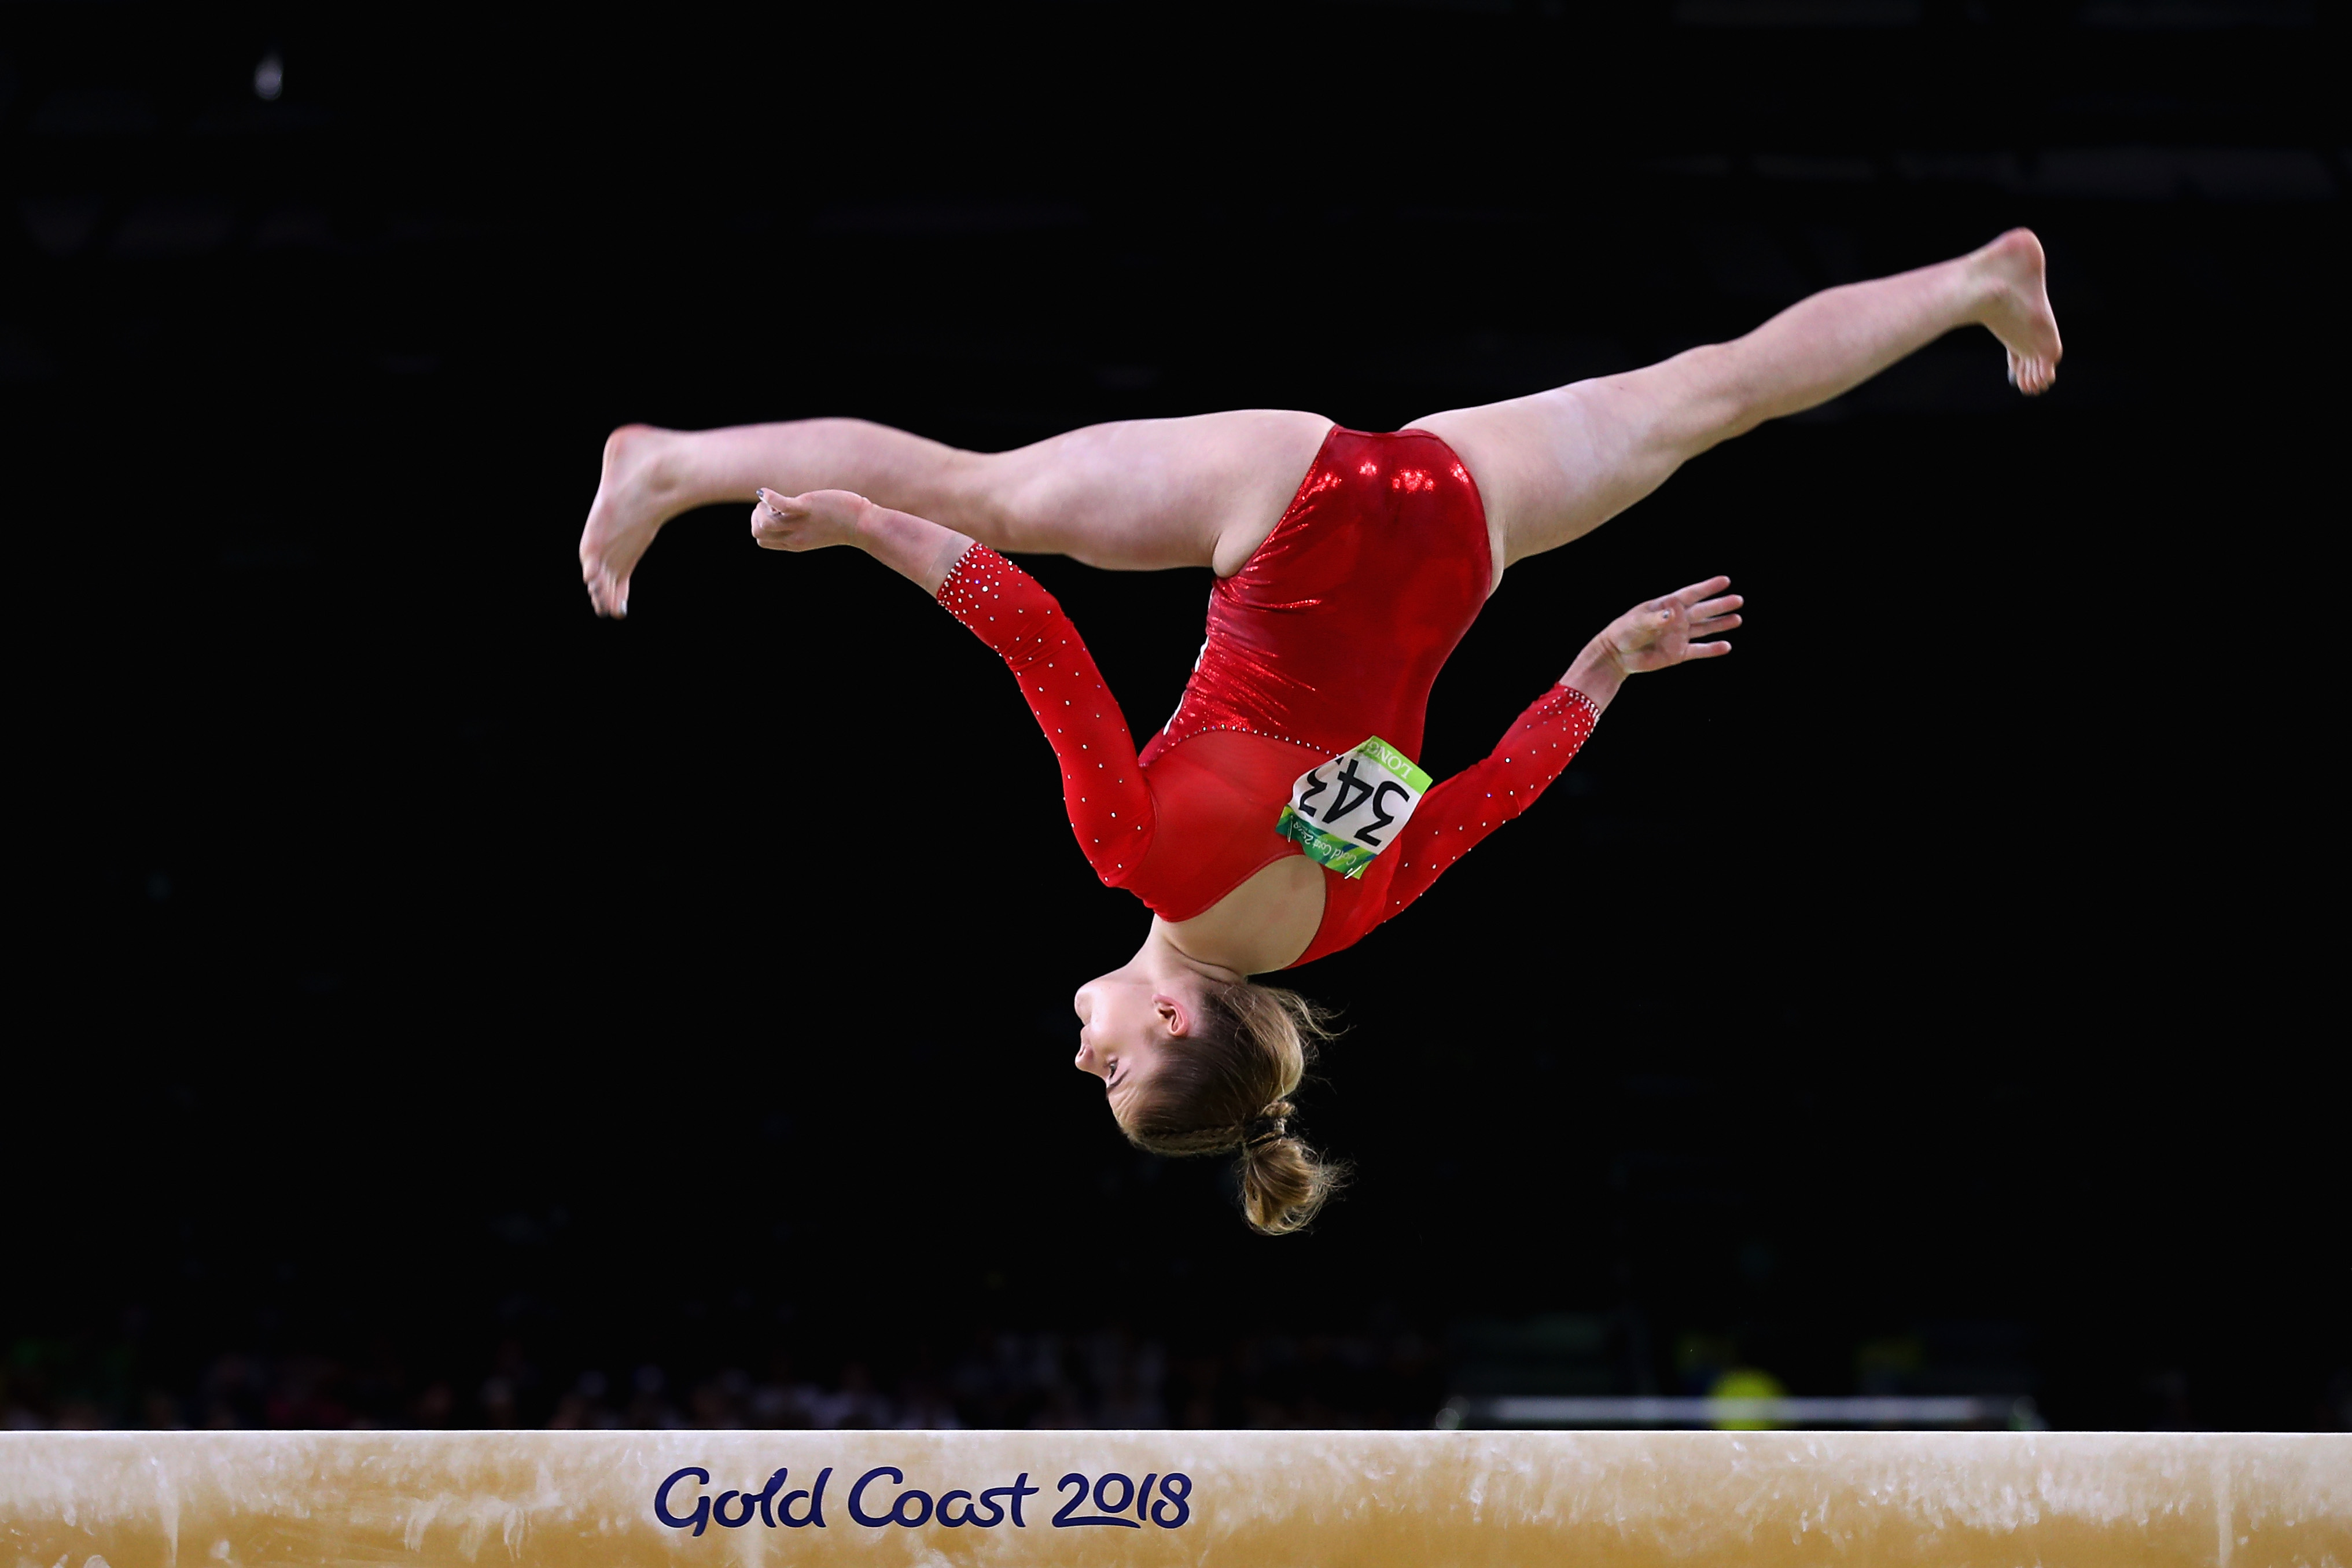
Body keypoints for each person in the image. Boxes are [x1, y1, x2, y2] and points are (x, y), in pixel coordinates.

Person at [577, 230, 2062, 1233]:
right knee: (984, 490)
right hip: (1278, 508)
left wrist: (1602, 664)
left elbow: (1488, 794)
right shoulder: (1135, 857)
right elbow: (1036, 634)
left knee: (1712, 394)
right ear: (1175, 1024)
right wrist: (863, 528)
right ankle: (670, 465)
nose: (1081, 1056)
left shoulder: (1341, 918)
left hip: (1452, 536)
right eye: (1112, 1073)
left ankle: (1972, 283)